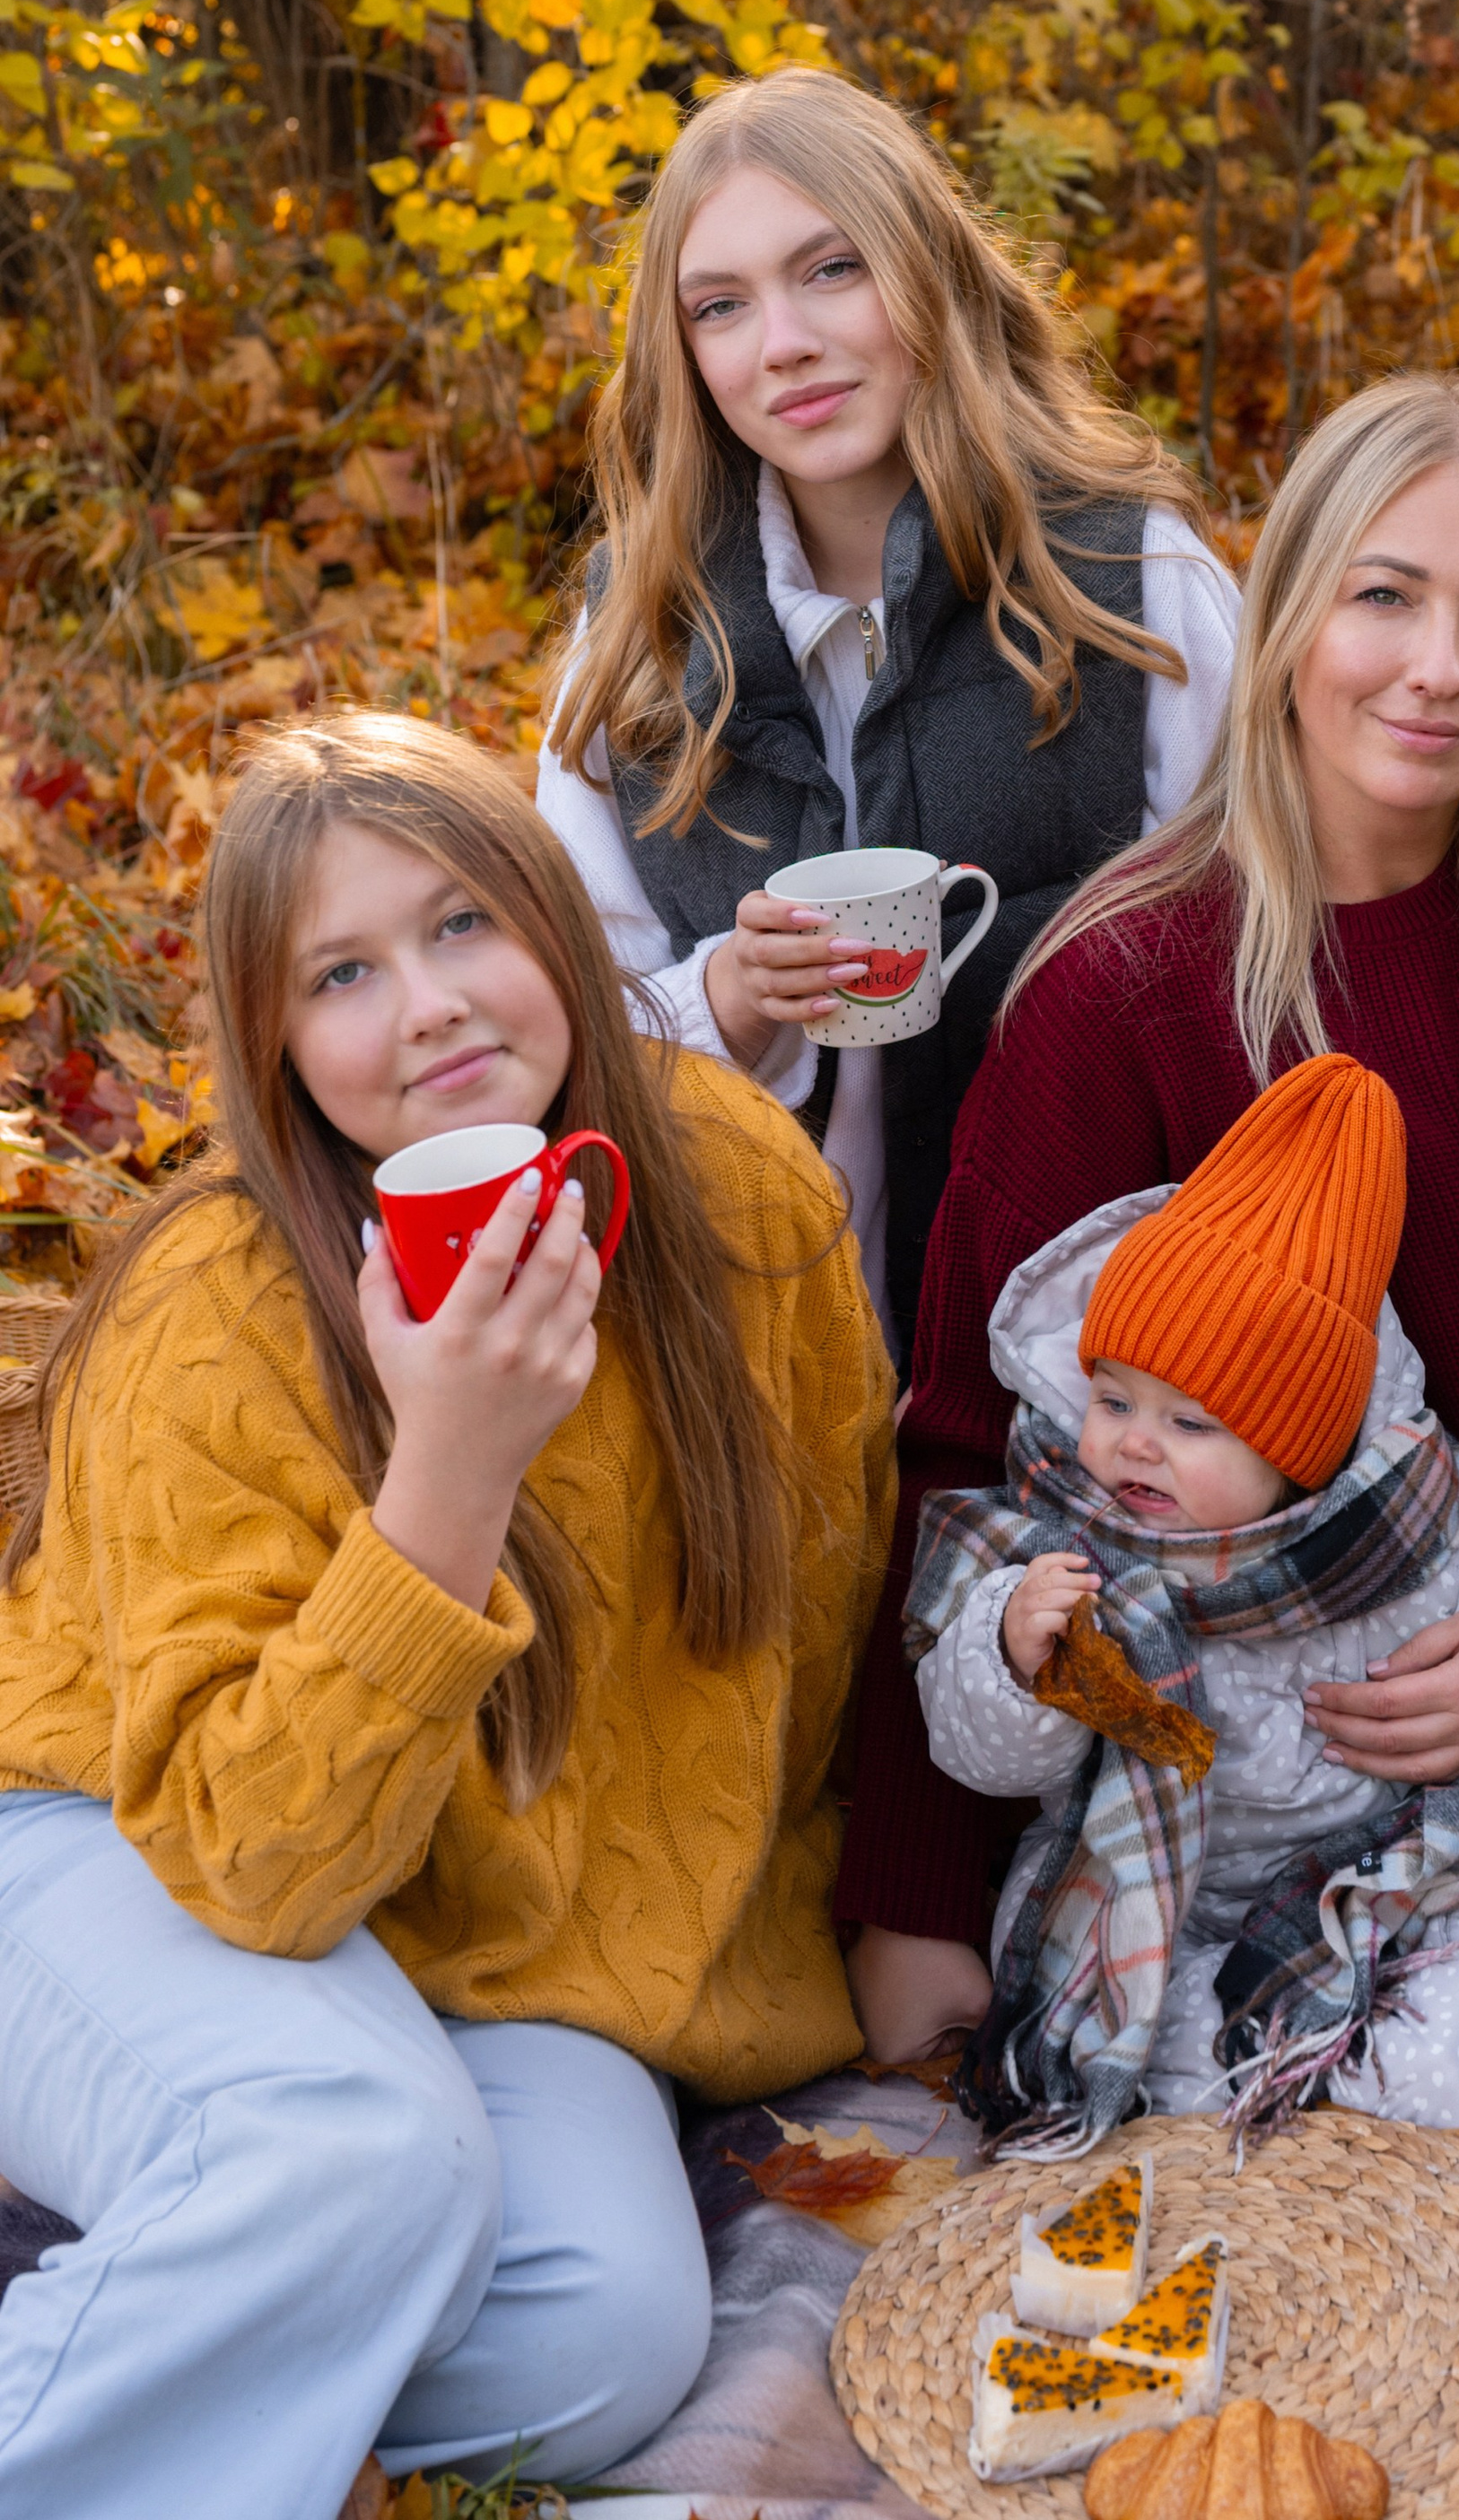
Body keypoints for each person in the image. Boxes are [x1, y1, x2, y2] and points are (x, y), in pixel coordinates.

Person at [0, 715, 894, 2518]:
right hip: (123, 1839)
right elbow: (253, 1868)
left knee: (609, 2326)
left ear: (561, 929)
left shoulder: (736, 1191)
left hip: (475, 1924)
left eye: (465, 922)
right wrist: (449, 1475)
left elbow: (820, 1624)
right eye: (344, 970)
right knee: (362, 2145)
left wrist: (882, 1913)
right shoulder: (219, 1304)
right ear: (276, 1042)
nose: (427, 1004)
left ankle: (167, 2338)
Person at [842, 368, 1459, 2067]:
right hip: (1285, 1715)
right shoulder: (1130, 984)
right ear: (1282, 623)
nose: (1440, 666)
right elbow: (977, 1446)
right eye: (1385, 596)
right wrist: (915, 1894)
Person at [537, 65, 1239, 1350]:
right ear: (683, 353)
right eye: (721, 306)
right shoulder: (632, 636)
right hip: (755, 1339)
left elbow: (1262, 947)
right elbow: (572, 1017)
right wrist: (731, 999)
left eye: (831, 270)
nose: (783, 344)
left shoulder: (1128, 576)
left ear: (928, 273)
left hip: (1102, 1339)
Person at [909, 1053, 1459, 2149]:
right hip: (1170, 1876)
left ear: (1299, 1455)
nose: (1135, 1441)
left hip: (1387, 1863)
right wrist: (1014, 1655)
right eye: (1111, 1398)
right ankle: (1229, 2073)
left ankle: (1345, 2086)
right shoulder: (1064, 1550)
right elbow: (989, 1764)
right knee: (1091, 1979)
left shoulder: (1403, 1545)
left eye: (1192, 1424)